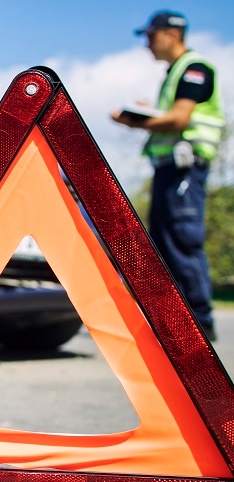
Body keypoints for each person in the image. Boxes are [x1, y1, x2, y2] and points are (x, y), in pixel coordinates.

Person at [112, 10, 225, 341]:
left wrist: (137, 121)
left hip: (184, 169)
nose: (147, 44)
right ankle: (175, 322)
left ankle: (200, 324)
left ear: (172, 35)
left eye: (150, 36)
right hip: (169, 170)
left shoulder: (194, 69)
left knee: (182, 240)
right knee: (163, 242)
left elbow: (178, 119)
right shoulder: (175, 73)